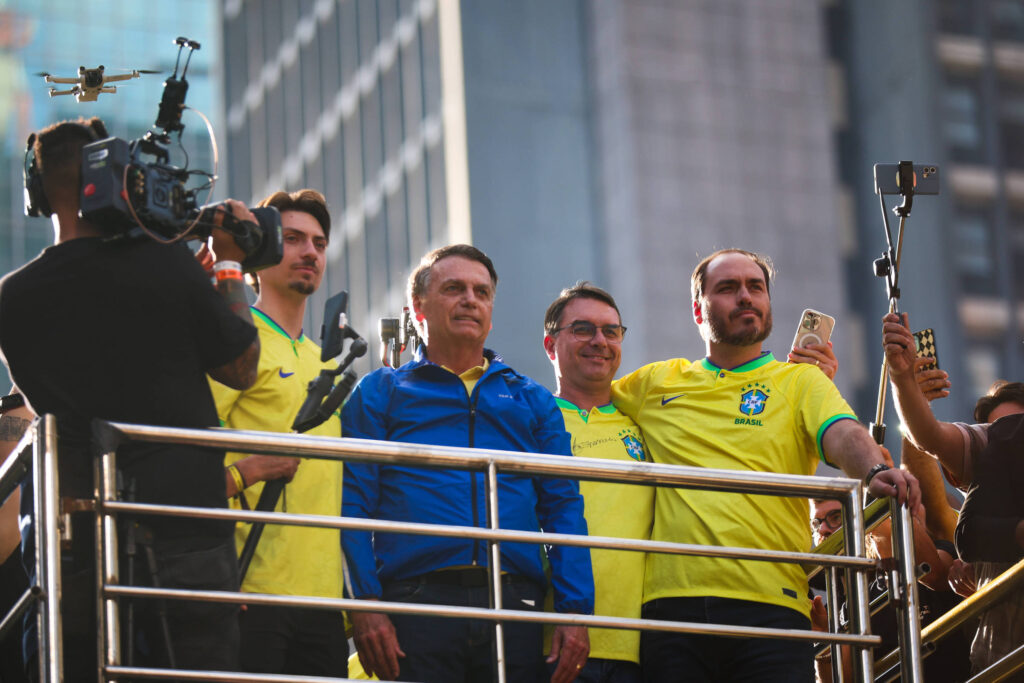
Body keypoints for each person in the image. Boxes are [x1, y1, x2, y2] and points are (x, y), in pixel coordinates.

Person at [0, 117, 260, 679]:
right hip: (185, 524)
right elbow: (242, 369)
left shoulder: (11, 298)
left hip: (75, 540)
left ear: (37, 194)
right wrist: (229, 264)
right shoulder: (166, 263)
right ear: (114, 177)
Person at [611, 249, 920, 683]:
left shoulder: (801, 381)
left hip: (775, 606)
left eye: (755, 287)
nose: (745, 296)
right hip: (670, 607)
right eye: (728, 288)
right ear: (698, 310)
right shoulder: (654, 382)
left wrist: (873, 471)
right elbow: (582, 402)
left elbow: (843, 433)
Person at [341, 244, 594, 683]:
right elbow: (351, 503)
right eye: (453, 288)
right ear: (417, 307)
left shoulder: (532, 399)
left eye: (481, 292)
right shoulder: (380, 391)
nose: (470, 300)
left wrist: (575, 612)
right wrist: (364, 605)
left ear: (491, 311)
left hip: (515, 601)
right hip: (413, 601)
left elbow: (563, 508)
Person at [207, 189, 347, 676]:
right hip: (250, 592)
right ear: (260, 252)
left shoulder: (325, 360)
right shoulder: (235, 342)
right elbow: (190, 462)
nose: (310, 252)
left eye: (319, 243)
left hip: (326, 601)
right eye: (292, 239)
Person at [884, 314, 1024, 675]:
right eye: (996, 427)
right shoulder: (995, 446)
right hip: (1005, 661)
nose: (1005, 435)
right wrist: (905, 383)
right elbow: (928, 438)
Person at [541, 282, 651, 683]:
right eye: (583, 329)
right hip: (552, 643)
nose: (600, 341)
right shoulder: (531, 420)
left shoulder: (646, 423)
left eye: (611, 331)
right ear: (551, 345)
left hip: (644, 647)